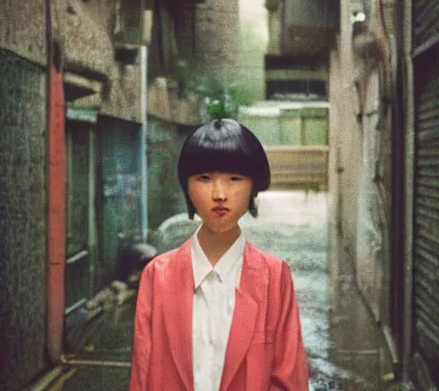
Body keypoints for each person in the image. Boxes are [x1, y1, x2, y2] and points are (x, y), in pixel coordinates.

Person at [129, 118, 309, 391]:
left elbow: (289, 379)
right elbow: (142, 376)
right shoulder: (157, 275)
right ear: (187, 187)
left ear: (253, 186)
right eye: (204, 178)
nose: (219, 193)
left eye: (234, 178)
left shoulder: (274, 276)